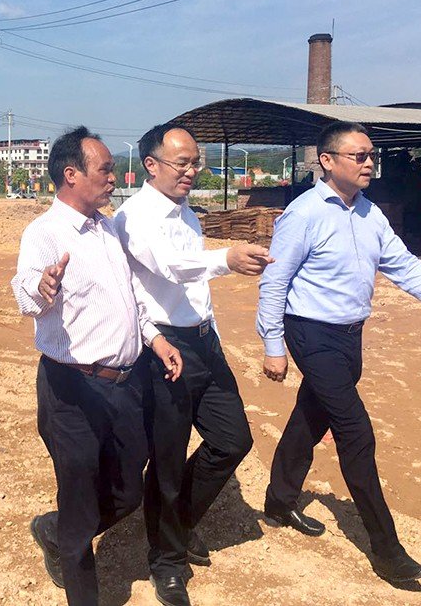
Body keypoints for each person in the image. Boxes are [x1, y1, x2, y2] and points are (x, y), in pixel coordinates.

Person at [257, 121, 421, 584]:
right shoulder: (303, 214)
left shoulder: (369, 213)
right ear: (327, 161)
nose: (368, 163)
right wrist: (273, 345)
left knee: (310, 418)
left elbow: (403, 264)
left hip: (349, 336)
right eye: (358, 156)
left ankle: (278, 501)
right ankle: (387, 550)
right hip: (311, 333)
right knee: (355, 432)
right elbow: (274, 281)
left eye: (371, 155)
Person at [11, 126, 184, 606]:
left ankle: (54, 530)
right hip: (73, 389)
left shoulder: (107, 229)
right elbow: (25, 290)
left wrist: (155, 339)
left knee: (128, 492)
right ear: (72, 175)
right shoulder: (44, 233)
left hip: (125, 386)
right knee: (80, 499)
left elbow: (129, 300)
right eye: (105, 169)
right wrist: (42, 288)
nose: (114, 177)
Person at [114, 124, 271, 606]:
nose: (191, 171)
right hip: (165, 348)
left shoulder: (187, 214)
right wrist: (227, 258)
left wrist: (213, 333)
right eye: (181, 163)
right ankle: (166, 560)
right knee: (167, 458)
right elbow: (172, 266)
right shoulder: (133, 216)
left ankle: (177, 522)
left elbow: (194, 286)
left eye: (195, 162)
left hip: (203, 342)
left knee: (232, 439)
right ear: (151, 165)